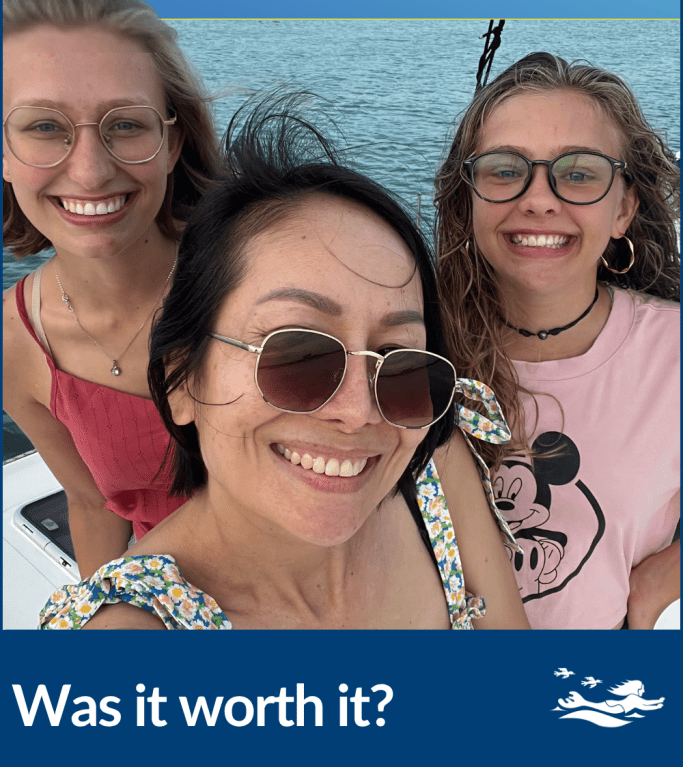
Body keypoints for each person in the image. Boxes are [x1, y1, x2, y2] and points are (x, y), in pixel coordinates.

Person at [40, 99, 529, 629]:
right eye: (296, 355)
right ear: (182, 380)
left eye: (400, 365)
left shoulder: (433, 466)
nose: (360, 412)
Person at [435, 52, 680, 629]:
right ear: (467, 196)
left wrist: (667, 577)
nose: (539, 198)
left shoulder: (672, 353)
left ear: (624, 207)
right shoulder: (412, 352)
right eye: (504, 169)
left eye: (578, 172)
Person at [3, 0, 220, 578]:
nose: (92, 172)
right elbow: (94, 505)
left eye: (125, 123)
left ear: (172, 142)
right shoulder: (18, 342)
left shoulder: (253, 267)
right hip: (177, 602)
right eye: (45, 126)